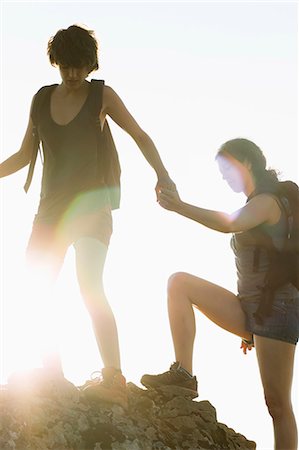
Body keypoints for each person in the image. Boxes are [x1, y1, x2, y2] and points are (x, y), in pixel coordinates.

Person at [0, 24, 175, 407]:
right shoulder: (40, 100)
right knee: (35, 289)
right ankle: (51, 373)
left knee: (89, 285)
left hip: (92, 206)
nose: (74, 75)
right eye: (66, 66)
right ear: (56, 63)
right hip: (49, 212)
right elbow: (24, 155)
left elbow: (140, 136)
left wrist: (163, 175)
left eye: (80, 66)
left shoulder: (102, 95)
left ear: (91, 63)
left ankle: (113, 377)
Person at [141, 138, 298, 450]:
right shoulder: (257, 201)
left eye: (227, 168)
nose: (224, 176)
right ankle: (184, 375)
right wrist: (248, 328)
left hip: (278, 309)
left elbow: (229, 225)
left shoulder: (267, 202)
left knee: (277, 405)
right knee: (179, 283)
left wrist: (179, 206)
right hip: (251, 307)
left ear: (247, 163)